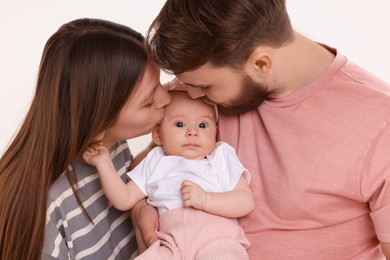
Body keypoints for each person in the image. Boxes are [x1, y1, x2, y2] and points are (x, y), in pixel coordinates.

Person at [143, 0, 390, 259]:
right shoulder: (206, 75)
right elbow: (157, 161)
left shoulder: (380, 124)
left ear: (261, 64)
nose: (192, 95)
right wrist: (142, 206)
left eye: (205, 87)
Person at [0, 18, 171, 260]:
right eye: (149, 101)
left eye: (160, 84)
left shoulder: (112, 146)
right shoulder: (47, 211)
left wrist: (141, 208)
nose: (166, 98)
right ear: (97, 125)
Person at [82, 90, 255, 259]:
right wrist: (103, 163)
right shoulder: (154, 160)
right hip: (170, 246)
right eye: (180, 124)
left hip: (217, 241)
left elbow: (245, 201)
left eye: (203, 125)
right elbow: (124, 199)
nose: (192, 132)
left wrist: (206, 199)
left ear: (215, 132)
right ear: (158, 135)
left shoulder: (219, 156)